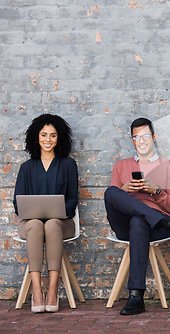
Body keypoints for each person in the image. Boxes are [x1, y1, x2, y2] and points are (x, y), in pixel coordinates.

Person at [104, 117, 170, 315]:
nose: (141, 140)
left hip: (155, 230)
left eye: (145, 136)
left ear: (153, 137)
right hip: (124, 224)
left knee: (139, 220)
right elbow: (114, 200)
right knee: (111, 191)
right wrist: (124, 190)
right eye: (136, 137)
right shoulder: (120, 166)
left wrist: (157, 191)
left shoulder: (169, 166)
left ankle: (136, 297)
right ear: (132, 140)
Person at [13, 114, 78, 313]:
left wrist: (59, 212)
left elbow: (73, 199)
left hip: (61, 224)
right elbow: (18, 203)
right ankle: (36, 290)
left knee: (51, 224)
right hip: (31, 225)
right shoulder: (26, 168)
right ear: (36, 137)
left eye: (53, 135)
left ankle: (52, 289)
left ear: (60, 138)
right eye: (43, 135)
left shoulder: (68, 165)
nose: (48, 140)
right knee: (35, 224)